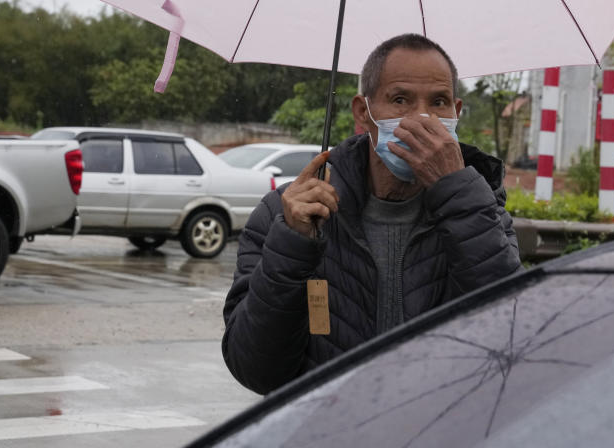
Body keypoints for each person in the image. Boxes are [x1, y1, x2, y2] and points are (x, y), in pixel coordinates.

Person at [222, 33, 522, 395]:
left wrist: (457, 194)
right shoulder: (289, 214)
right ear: (363, 112)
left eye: (439, 102)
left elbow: (512, 340)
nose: (422, 118)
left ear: (456, 112)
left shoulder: (480, 211)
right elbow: (255, 370)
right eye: (400, 100)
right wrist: (294, 245)